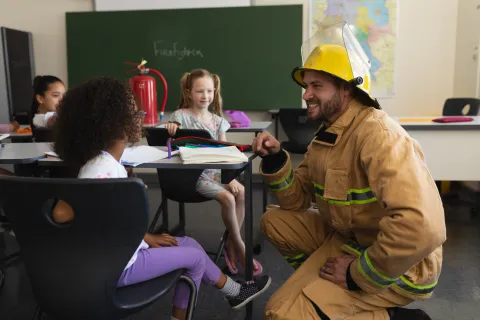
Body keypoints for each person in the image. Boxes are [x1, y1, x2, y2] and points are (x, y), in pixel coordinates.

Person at [252, 21, 446, 320]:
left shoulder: (379, 135)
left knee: (281, 314)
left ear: (345, 89)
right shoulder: (328, 136)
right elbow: (296, 202)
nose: (306, 95)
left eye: (317, 86)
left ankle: (373, 307)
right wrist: (277, 160)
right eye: (306, 86)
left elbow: (422, 227)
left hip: (404, 267)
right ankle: (331, 293)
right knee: (275, 221)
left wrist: (358, 275)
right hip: (354, 242)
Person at [52, 76, 271, 320]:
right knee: (195, 258)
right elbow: (63, 213)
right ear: (116, 124)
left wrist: (145, 237)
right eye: (135, 113)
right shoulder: (100, 168)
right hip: (118, 265)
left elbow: (105, 216)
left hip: (122, 254)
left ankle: (234, 292)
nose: (139, 117)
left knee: (187, 243)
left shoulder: (105, 162)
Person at [164, 69, 262, 275]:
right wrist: (171, 128)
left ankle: (228, 243)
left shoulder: (218, 121)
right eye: (200, 91)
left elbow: (226, 154)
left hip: (214, 177)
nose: (205, 96)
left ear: (215, 91)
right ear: (189, 92)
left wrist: (232, 177)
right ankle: (239, 244)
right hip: (192, 178)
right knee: (227, 197)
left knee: (241, 191)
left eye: (209, 91)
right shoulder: (180, 116)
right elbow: (170, 142)